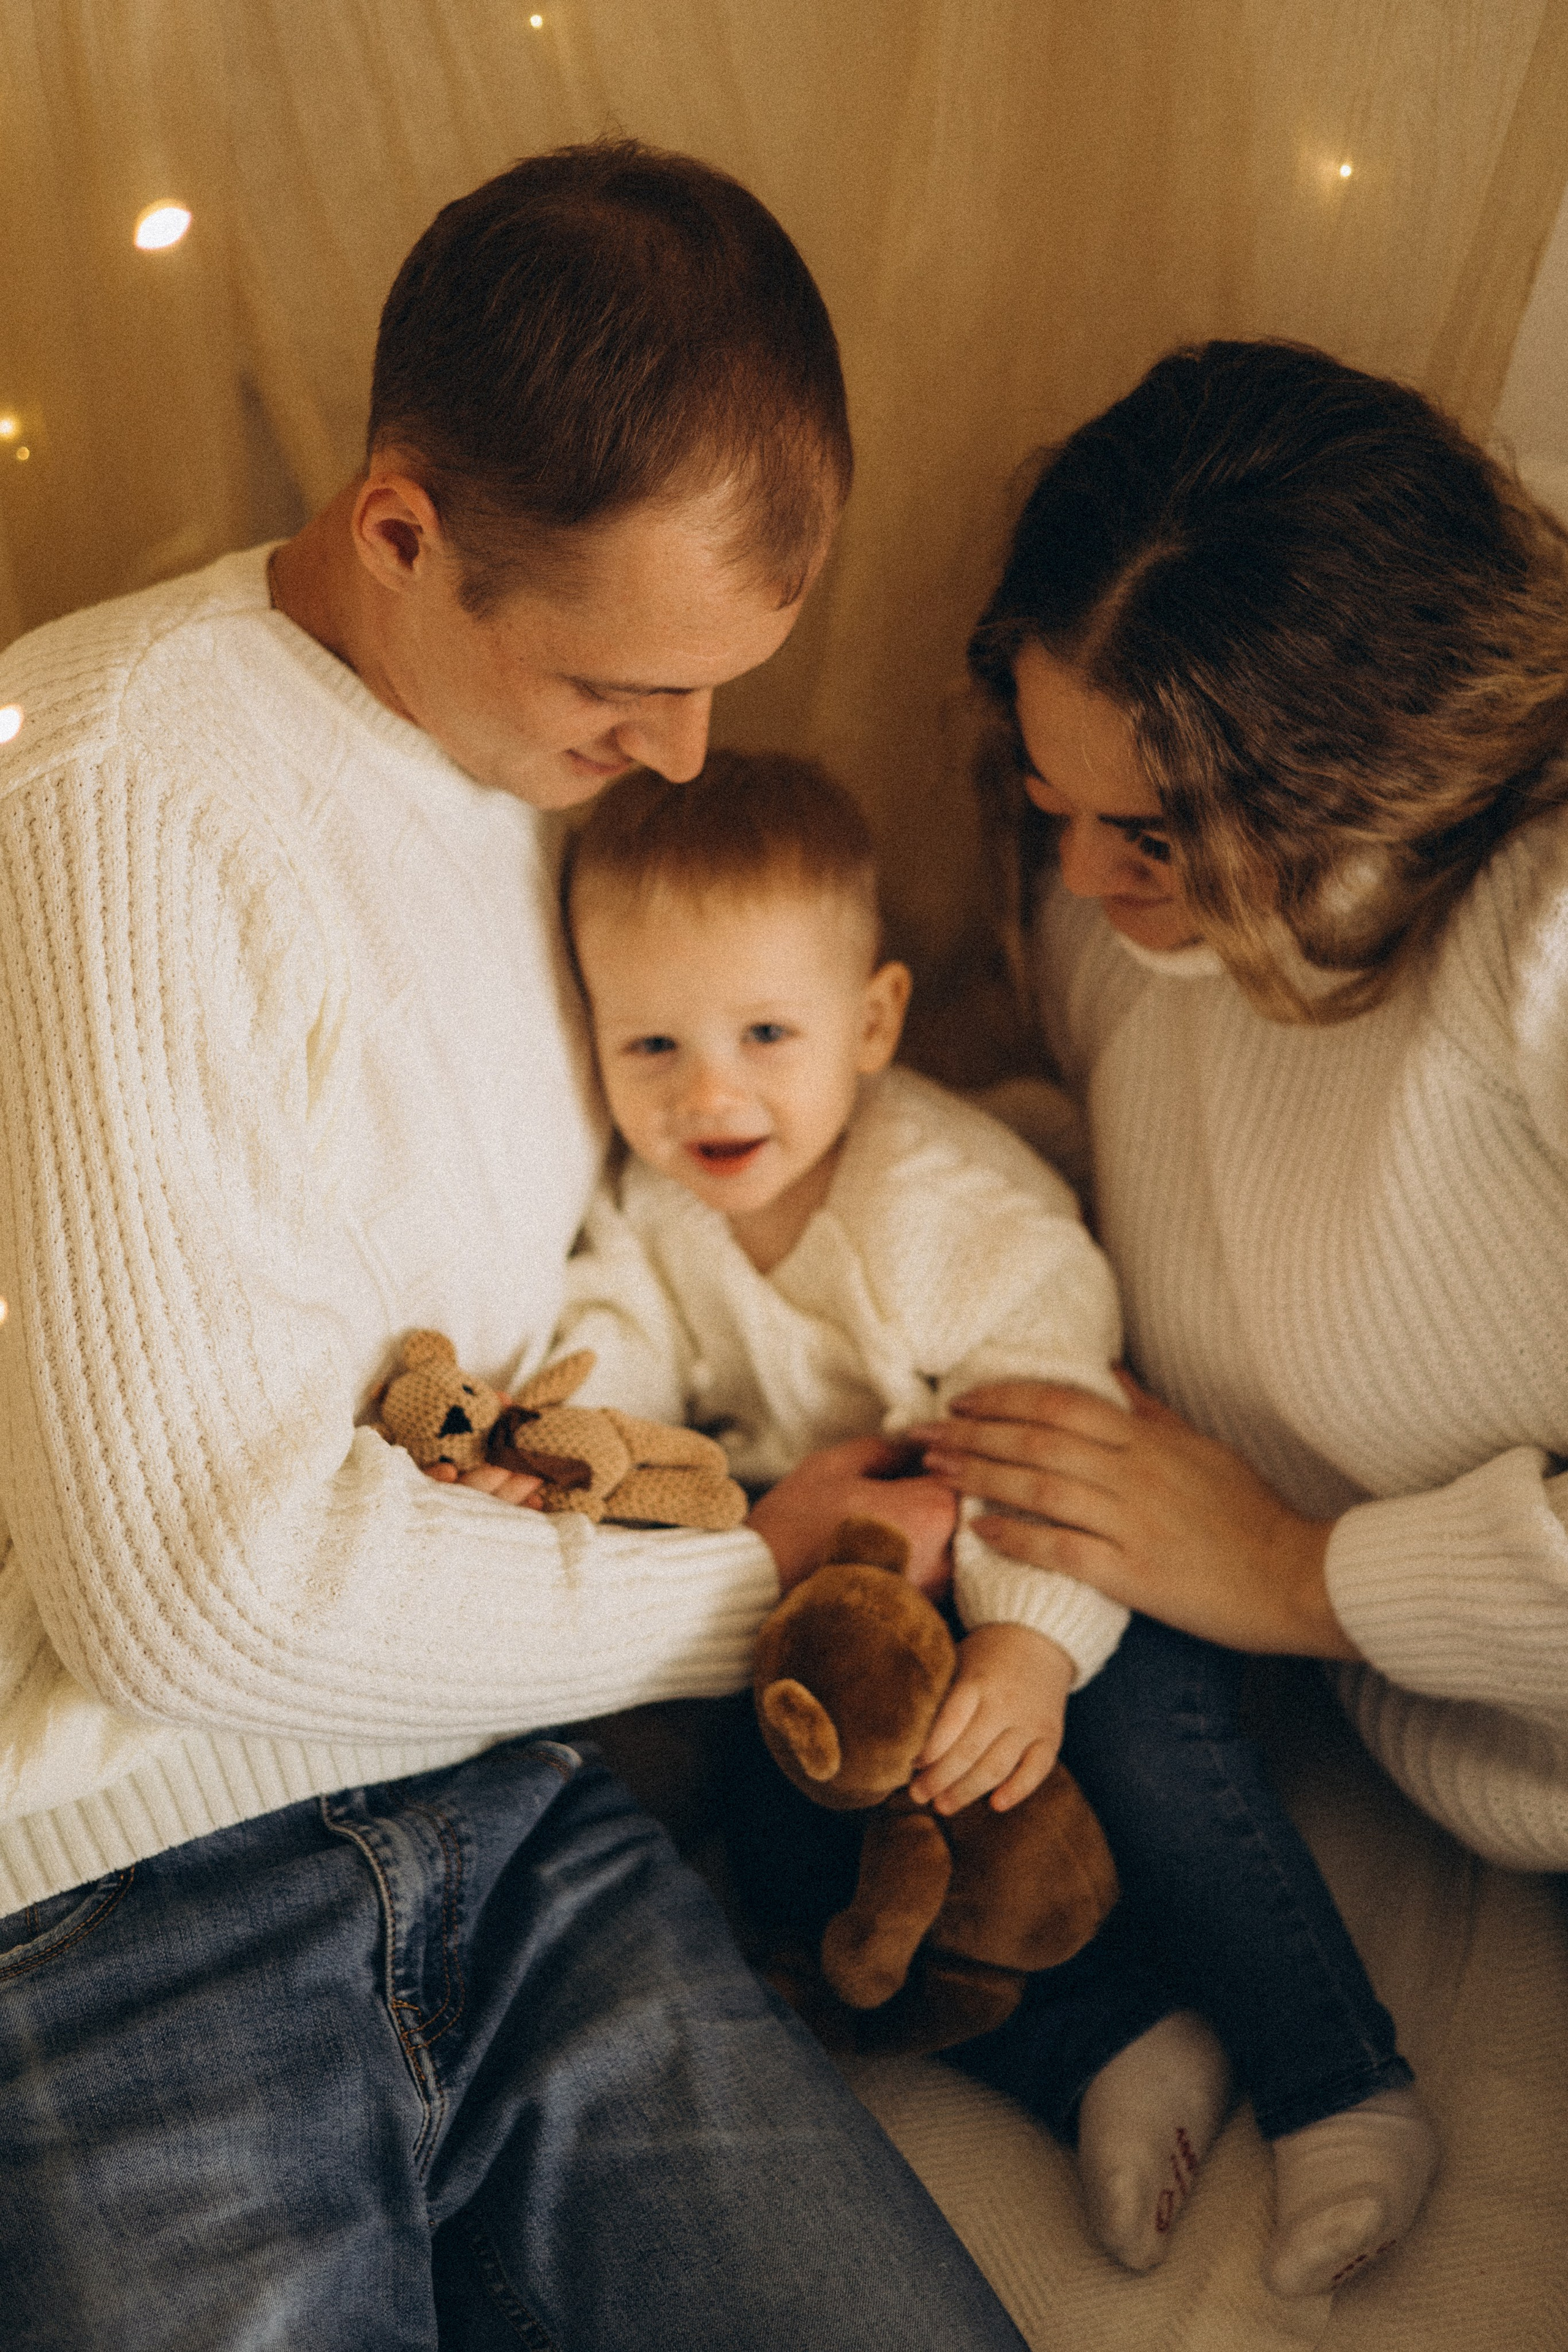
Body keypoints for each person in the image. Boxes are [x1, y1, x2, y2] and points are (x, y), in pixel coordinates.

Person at [0, 140, 1031, 2352]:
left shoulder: (520, 782)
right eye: (620, 690)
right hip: (114, 1892)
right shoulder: (106, 789)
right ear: (402, 532)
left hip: (514, 1803)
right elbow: (189, 1593)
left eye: (719, 684)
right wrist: (753, 1580)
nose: (680, 755)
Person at [549, 745, 1434, 2297]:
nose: (708, 1092)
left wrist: (1030, 1649)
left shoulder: (944, 1199)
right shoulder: (651, 1202)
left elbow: (1056, 1433)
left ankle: (1337, 2079)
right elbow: (615, 1343)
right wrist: (575, 1442)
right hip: (854, 1597)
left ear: (871, 1022)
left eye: (766, 1034)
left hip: (1054, 1547)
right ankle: (1108, 2044)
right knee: (783, 1827)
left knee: (1153, 1754)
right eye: (651, 1044)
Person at [905, 336, 1568, 2296]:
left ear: (1365, 771)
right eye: (1057, 801)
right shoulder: (1116, 928)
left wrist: (1297, 1575)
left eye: (1156, 834)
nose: (1088, 877)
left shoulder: (1536, 934)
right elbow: (1117, 1181)